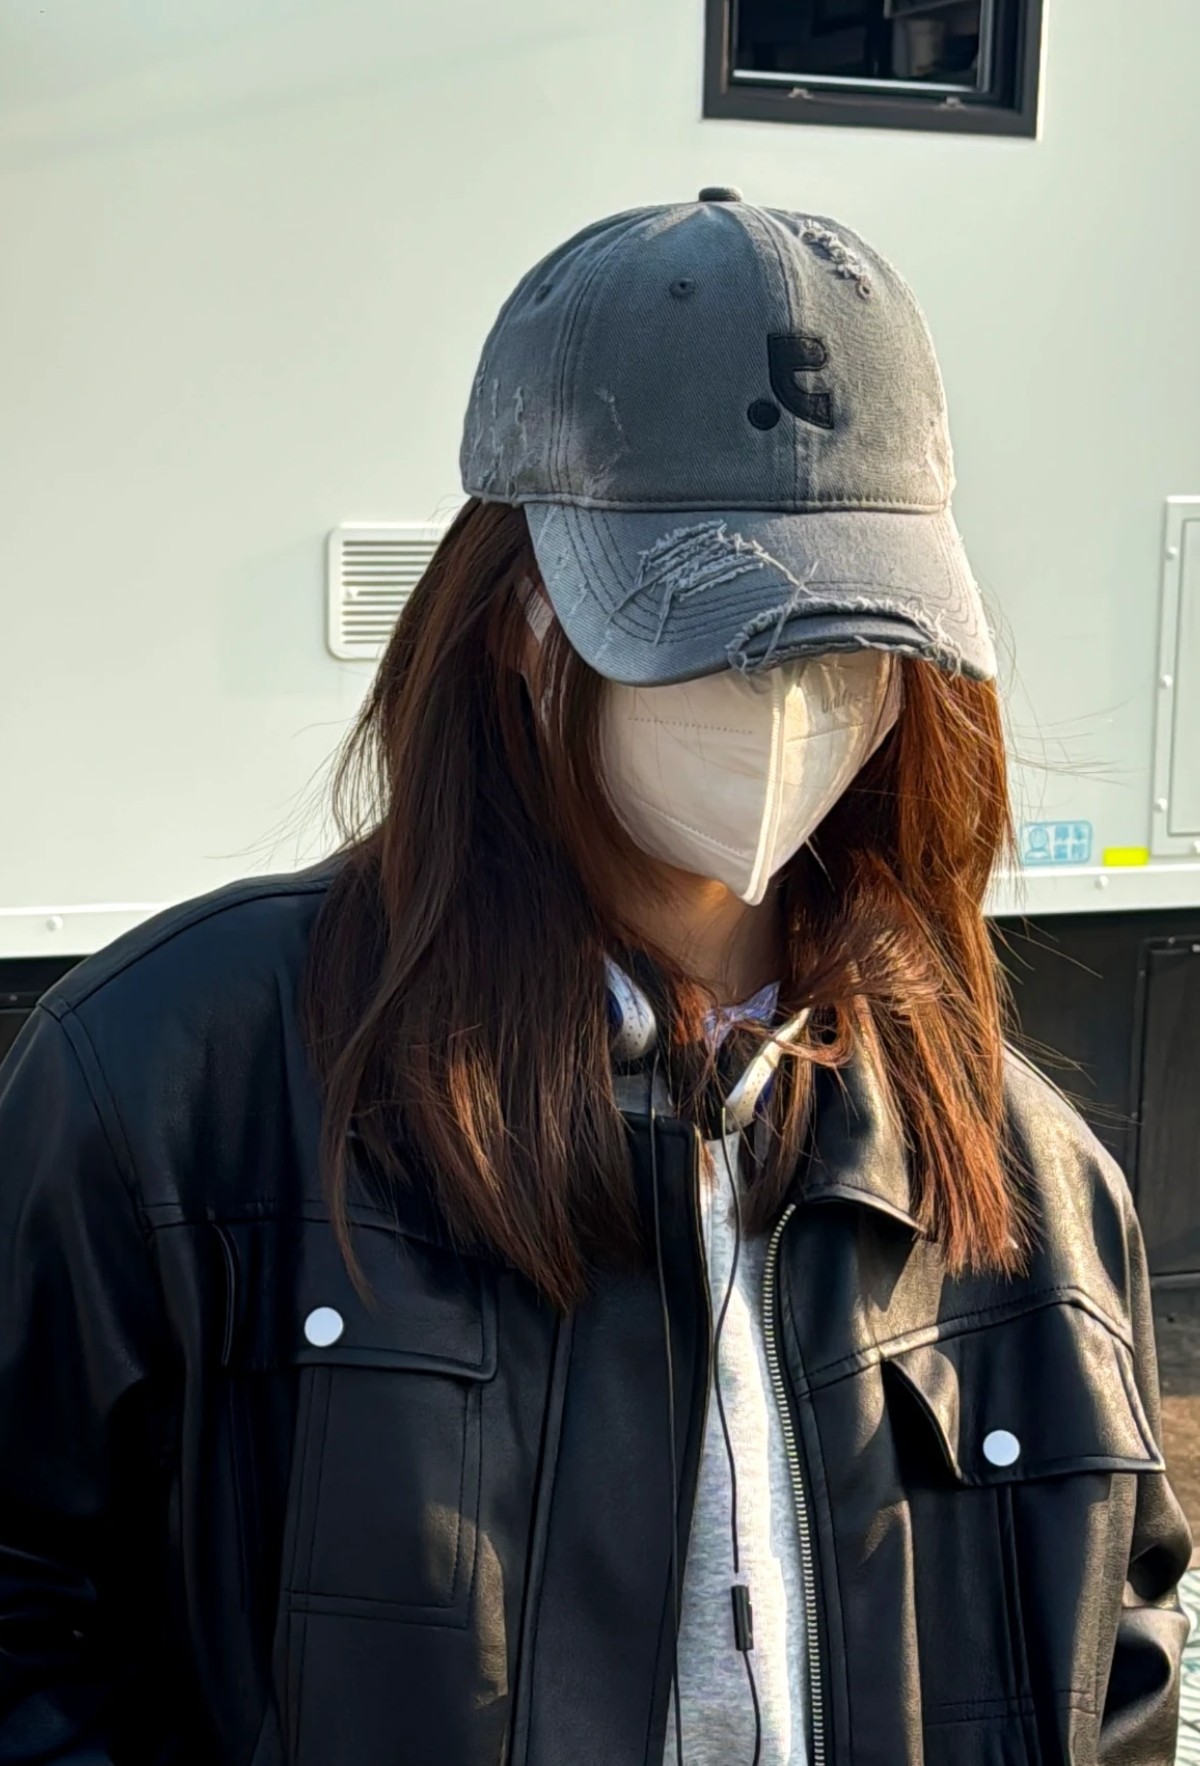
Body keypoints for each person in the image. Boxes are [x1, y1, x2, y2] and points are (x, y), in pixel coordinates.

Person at [0, 188, 1189, 1766]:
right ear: (520, 610)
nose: (782, 697)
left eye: (845, 631)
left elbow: (1118, 1666)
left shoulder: (1031, 1175)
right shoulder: (172, 1086)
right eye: (704, 621)